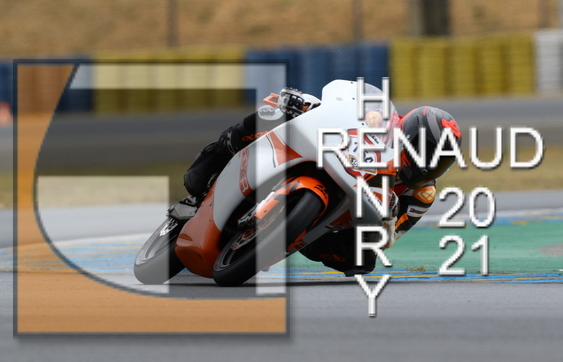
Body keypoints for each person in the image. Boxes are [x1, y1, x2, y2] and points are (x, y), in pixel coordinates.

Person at [174, 86, 462, 276]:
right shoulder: (380, 117)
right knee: (275, 113)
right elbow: (339, 107)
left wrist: (383, 227)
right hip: (331, 156)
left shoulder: (422, 194)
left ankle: (296, 234)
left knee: (362, 261)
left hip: (346, 211)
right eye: (425, 152)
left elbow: (390, 236)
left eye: (440, 162)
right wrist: (305, 104)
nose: (428, 165)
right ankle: (214, 159)